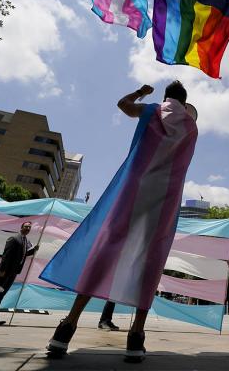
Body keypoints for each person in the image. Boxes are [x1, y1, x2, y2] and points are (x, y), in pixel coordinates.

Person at [42, 81, 198, 363]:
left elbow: (123, 105)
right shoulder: (191, 126)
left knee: (105, 249)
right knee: (151, 257)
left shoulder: (152, 111)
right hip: (165, 198)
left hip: (133, 188)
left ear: (166, 98)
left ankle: (66, 328)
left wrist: (141, 93)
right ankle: (136, 337)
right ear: (185, 101)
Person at [0, 221, 39, 326]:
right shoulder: (14, 238)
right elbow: (6, 255)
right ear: (21, 227)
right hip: (5, 272)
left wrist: (33, 251)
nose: (28, 229)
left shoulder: (25, 241)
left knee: (0, 295)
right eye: (26, 227)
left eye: (29, 227)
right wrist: (2, 271)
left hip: (13, 272)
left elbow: (22, 254)